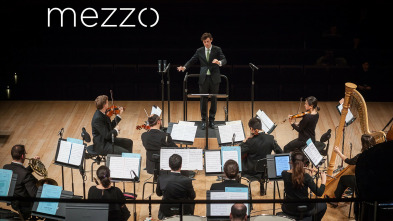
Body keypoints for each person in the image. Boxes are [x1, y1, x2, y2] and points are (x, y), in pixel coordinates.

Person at [177, 32, 227, 130]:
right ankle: (204, 121)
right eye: (204, 42)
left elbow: (224, 59)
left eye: (207, 42)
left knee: (213, 99)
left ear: (211, 40)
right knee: (203, 100)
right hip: (204, 78)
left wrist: (219, 62)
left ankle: (212, 120)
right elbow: (192, 60)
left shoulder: (217, 49)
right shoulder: (199, 50)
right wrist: (184, 67)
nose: (206, 44)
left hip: (214, 78)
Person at [329, 134, 376, 216]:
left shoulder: (361, 156)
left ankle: (336, 201)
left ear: (363, 144)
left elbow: (348, 161)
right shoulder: (377, 153)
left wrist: (338, 152)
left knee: (343, 179)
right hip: (374, 183)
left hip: (362, 184)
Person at [240, 117, 283, 195]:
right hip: (266, 170)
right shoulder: (270, 138)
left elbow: (239, 151)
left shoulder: (249, 141)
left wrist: (244, 141)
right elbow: (280, 152)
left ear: (252, 129)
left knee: (240, 160)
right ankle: (262, 182)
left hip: (252, 171)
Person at [281, 151, 327, 221]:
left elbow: (295, 176)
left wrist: (309, 176)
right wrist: (323, 180)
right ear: (304, 163)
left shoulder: (284, 174)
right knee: (323, 204)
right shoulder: (306, 177)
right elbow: (319, 193)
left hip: (288, 208)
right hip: (304, 209)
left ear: (291, 162)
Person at [3, 144, 40, 220]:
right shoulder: (25, 174)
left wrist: (32, 165)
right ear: (22, 156)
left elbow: (19, 173)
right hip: (26, 206)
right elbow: (34, 195)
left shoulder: (6, 167)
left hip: (15, 203)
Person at [156, 154, 196, 220]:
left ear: (169, 165)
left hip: (167, 210)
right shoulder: (187, 180)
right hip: (183, 210)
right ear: (181, 166)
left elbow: (159, 194)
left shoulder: (161, 178)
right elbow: (192, 196)